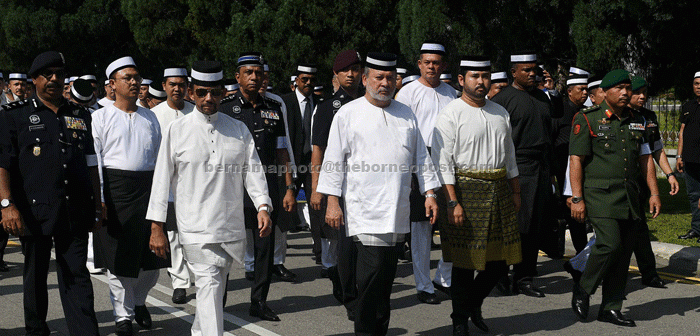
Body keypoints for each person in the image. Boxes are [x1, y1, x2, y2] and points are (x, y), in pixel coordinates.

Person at [318, 52, 440, 336]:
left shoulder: (405, 113)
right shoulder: (348, 114)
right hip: (365, 211)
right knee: (370, 280)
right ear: (365, 80)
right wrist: (333, 202)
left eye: (390, 78)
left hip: (397, 211)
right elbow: (333, 159)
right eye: (379, 77)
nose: (385, 83)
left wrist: (430, 193)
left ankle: (378, 330)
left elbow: (421, 158)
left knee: (385, 282)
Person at [146, 60, 273, 336]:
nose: (208, 99)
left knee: (213, 290)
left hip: (229, 226)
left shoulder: (238, 129)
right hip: (193, 227)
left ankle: (198, 332)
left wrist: (263, 205)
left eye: (214, 93)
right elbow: (161, 180)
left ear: (223, 93)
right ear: (191, 92)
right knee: (210, 284)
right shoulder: (176, 131)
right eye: (202, 92)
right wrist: (156, 225)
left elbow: (252, 171)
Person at [0, 51, 101, 335]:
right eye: (48, 74)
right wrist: (7, 204)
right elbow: (3, 163)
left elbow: (90, 162)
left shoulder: (79, 114)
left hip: (74, 209)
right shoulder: (15, 116)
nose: (55, 79)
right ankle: (36, 329)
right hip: (35, 209)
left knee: (77, 275)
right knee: (35, 277)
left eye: (59, 73)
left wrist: (96, 203)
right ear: (34, 80)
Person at [431, 56, 523, 336]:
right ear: (461, 80)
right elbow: (441, 160)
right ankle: (460, 319)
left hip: (498, 190)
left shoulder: (500, 112)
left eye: (485, 76)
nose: (481, 82)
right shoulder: (450, 113)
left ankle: (472, 304)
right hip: (464, 192)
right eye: (475, 76)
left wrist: (516, 190)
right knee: (463, 263)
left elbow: (509, 156)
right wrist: (452, 201)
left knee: (499, 261)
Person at [569, 69, 661, 327]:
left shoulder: (637, 120)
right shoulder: (587, 119)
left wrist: (654, 192)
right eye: (619, 88)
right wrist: (576, 198)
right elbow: (576, 159)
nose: (625, 93)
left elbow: (646, 159)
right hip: (599, 195)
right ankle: (583, 289)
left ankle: (610, 307)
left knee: (623, 253)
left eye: (627, 88)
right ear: (605, 92)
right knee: (609, 243)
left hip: (630, 196)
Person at [91, 56, 169, 335]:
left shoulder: (150, 117)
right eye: (128, 78)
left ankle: (139, 302)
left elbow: (162, 161)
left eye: (137, 77)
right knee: (120, 261)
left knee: (153, 261)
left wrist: (165, 197)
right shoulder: (99, 118)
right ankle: (122, 316)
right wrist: (100, 198)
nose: (135, 82)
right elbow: (96, 160)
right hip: (115, 191)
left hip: (148, 190)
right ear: (112, 84)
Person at [219, 52, 295, 321]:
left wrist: (289, 187)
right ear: (238, 76)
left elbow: (282, 149)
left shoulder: (273, 107)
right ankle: (219, 299)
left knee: (265, 247)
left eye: (258, 72)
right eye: (248, 72)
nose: (254, 77)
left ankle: (259, 301)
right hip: (232, 187)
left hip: (265, 187)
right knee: (227, 246)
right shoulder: (225, 107)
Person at [490, 51, 559, 298]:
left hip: (540, 168)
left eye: (534, 70)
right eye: (526, 70)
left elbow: (549, 136)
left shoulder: (542, 98)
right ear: (514, 72)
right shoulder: (502, 100)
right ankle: (497, 276)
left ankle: (524, 277)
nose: (532, 74)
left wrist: (550, 173)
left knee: (534, 228)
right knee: (511, 226)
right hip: (515, 168)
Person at [395, 41, 457, 304]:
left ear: (443, 65)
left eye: (436, 62)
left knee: (452, 223)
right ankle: (423, 284)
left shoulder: (452, 93)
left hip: (448, 161)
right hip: (418, 162)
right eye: (427, 62)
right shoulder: (408, 93)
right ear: (419, 64)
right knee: (421, 229)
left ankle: (443, 278)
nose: (432, 67)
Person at [310, 49, 363, 308]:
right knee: (345, 244)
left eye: (355, 69)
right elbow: (318, 149)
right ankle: (348, 294)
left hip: (367, 183)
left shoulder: (371, 101)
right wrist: (316, 188)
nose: (351, 75)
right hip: (338, 185)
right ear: (336, 74)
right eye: (345, 71)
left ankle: (351, 285)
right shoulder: (327, 107)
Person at [150, 67, 195, 304]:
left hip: (195, 184)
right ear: (164, 86)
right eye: (172, 84)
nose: (177, 89)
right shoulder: (154, 115)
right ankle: (180, 282)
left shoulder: (195, 111)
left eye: (181, 84)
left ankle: (196, 273)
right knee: (174, 235)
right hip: (168, 184)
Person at [282, 63, 322, 264]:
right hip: (289, 161)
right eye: (304, 79)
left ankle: (320, 251)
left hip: (312, 163)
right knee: (284, 207)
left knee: (316, 207)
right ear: (296, 80)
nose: (308, 83)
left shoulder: (321, 102)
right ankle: (277, 257)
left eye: (312, 80)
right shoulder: (284, 102)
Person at [553, 72, 589, 254]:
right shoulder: (561, 111)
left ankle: (582, 255)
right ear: (569, 91)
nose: (585, 93)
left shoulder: (587, 112)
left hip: (581, 168)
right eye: (581, 89)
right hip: (562, 169)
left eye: (586, 90)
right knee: (571, 212)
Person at [677, 71, 700, 242]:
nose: (699, 87)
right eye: (696, 83)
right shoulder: (688, 106)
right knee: (693, 195)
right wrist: (679, 156)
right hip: (690, 159)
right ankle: (697, 229)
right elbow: (682, 132)